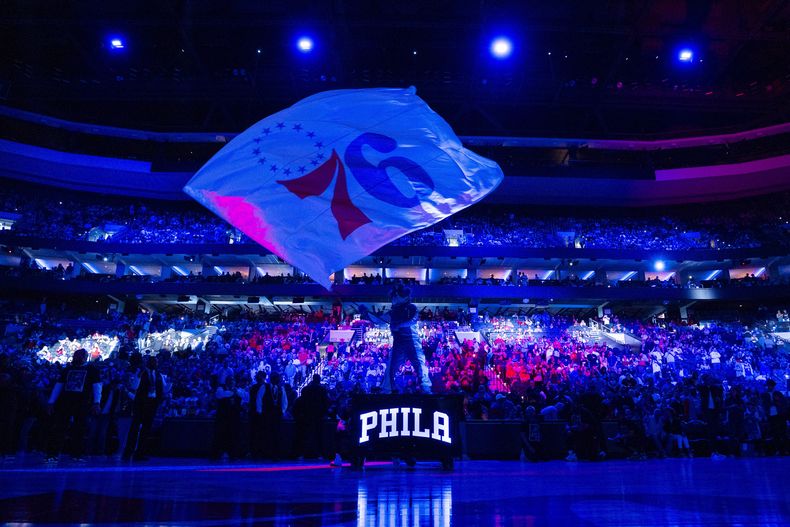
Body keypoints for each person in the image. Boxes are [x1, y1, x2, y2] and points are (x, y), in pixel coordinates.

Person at [46, 348, 101, 462]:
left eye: (81, 355)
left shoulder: (91, 370)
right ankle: (53, 453)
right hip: (65, 403)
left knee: (79, 429)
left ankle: (76, 454)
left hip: (82, 403)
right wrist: (51, 402)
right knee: (60, 428)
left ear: (85, 357)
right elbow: (59, 385)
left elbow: (96, 386)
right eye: (77, 355)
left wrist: (97, 402)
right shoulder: (67, 369)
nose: (79, 357)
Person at [381, 285, 431, 394]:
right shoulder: (392, 311)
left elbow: (412, 320)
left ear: (402, 297)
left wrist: (399, 325)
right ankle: (388, 390)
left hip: (411, 342)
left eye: (395, 296)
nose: (393, 298)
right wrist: (366, 313)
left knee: (419, 365)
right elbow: (378, 320)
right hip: (398, 344)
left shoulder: (411, 307)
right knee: (391, 367)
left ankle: (426, 389)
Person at [122, 355, 165, 461]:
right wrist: (138, 375)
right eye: (154, 362)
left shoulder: (158, 375)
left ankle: (140, 453)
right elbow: (134, 386)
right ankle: (128, 452)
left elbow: (162, 388)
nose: (156, 364)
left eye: (156, 362)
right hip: (141, 403)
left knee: (146, 429)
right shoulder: (142, 373)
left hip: (152, 403)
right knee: (135, 428)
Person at [294, 374, 329, 459]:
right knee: (318, 435)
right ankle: (319, 454)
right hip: (318, 415)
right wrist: (324, 413)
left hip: (306, 415)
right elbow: (326, 402)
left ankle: (302, 453)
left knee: (305, 434)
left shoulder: (306, 389)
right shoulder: (322, 390)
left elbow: (300, 401)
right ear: (319, 380)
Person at [261, 372, 288, 459]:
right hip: (267, 412)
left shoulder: (281, 388)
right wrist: (260, 411)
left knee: (277, 432)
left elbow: (284, 401)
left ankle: (276, 453)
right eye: (274, 378)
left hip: (277, 413)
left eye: (277, 378)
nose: (276, 380)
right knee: (267, 432)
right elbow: (259, 399)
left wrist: (282, 411)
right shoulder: (264, 387)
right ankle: (267, 452)